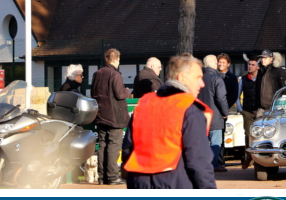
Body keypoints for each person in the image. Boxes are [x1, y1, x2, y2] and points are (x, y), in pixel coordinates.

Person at [122, 54, 217, 189]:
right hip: (174, 182)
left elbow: (128, 149)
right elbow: (198, 161)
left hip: (139, 181)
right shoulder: (189, 109)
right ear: (182, 77)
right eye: (198, 77)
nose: (202, 83)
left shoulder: (144, 105)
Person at [91, 48, 131, 185]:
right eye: (119, 59)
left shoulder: (97, 74)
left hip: (100, 114)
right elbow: (120, 94)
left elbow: (93, 93)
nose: (119, 62)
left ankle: (102, 177)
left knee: (102, 144)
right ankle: (112, 176)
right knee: (114, 145)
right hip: (114, 115)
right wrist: (127, 91)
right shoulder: (115, 74)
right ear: (115, 59)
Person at [197, 55, 229, 172]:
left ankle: (203, 164)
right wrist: (225, 112)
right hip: (215, 116)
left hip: (200, 115)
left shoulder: (198, 79)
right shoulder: (217, 79)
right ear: (215, 64)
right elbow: (221, 98)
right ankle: (214, 164)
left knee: (203, 143)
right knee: (216, 142)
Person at [236, 57, 260, 169]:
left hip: (260, 112)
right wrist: (241, 109)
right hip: (247, 111)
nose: (250, 66)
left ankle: (259, 158)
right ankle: (249, 157)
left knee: (260, 135)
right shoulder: (243, 79)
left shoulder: (262, 79)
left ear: (258, 67)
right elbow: (237, 95)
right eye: (249, 64)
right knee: (248, 135)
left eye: (252, 64)